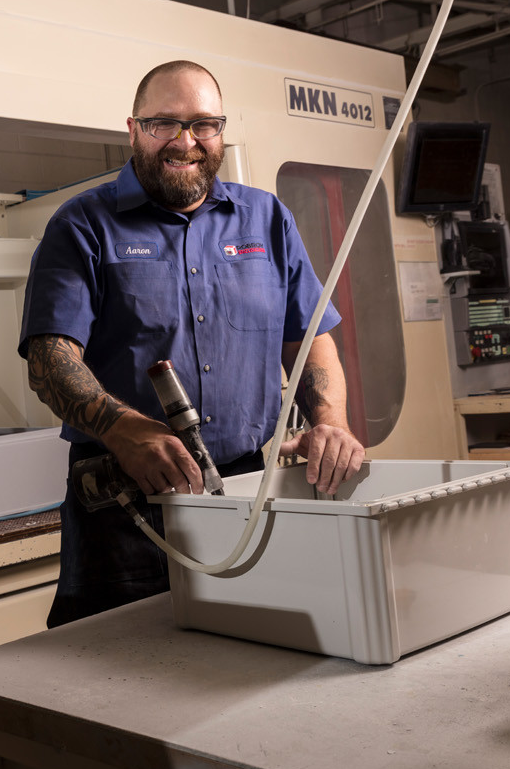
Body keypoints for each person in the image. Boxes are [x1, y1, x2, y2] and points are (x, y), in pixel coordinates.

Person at [19, 60, 365, 629]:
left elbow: (309, 337)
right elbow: (49, 358)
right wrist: (122, 429)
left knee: (259, 655)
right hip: (125, 509)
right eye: (164, 124)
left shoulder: (266, 219)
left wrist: (331, 421)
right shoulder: (82, 225)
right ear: (133, 129)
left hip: (250, 491)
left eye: (203, 124)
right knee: (116, 672)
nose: (186, 141)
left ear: (221, 131)